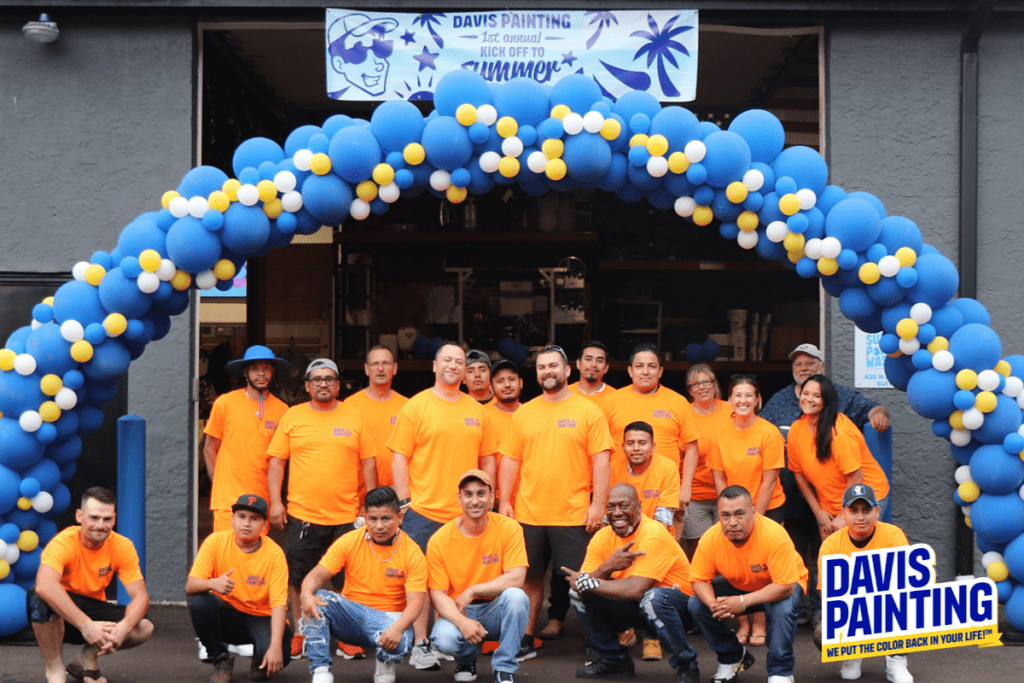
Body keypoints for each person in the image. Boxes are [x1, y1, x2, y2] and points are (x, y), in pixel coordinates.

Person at [498, 345, 613, 659]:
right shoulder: (525, 412)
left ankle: (597, 641)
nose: (547, 371)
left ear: (567, 371)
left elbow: (601, 461)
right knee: (529, 579)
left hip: (573, 513)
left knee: (583, 580)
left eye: (553, 366)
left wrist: (598, 505)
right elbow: (509, 460)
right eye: (541, 367)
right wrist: (505, 501)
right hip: (528, 512)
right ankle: (525, 637)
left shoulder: (588, 411)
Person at [389, 343, 499, 670]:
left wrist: (488, 499)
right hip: (423, 511)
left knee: (461, 581)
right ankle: (422, 644)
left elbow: (489, 458)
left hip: (466, 513)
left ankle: (453, 642)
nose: (453, 365)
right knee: (420, 581)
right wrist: (404, 500)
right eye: (447, 360)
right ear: (435, 366)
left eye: (460, 362)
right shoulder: (417, 406)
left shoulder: (477, 410)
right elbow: (399, 455)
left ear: (465, 370)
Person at [267, 358, 377, 657]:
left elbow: (368, 463)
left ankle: (345, 635)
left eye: (329, 379)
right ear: (307, 385)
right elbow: (277, 462)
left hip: (347, 516)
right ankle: (301, 632)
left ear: (338, 385)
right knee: (297, 579)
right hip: (304, 515)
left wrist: (369, 506)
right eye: (317, 379)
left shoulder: (355, 416)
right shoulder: (293, 416)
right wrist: (275, 501)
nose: (323, 384)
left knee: (347, 580)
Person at [563, 483, 699, 683]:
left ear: (639, 507)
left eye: (624, 506)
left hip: (679, 609)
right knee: (577, 596)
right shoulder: (602, 537)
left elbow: (636, 590)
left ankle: (686, 666)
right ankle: (614, 662)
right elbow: (581, 589)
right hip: (641, 607)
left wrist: (591, 583)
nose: (617, 513)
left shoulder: (653, 533)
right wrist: (606, 567)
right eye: (611, 507)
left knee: (653, 597)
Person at [299, 486, 427, 683]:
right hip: (350, 614)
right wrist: (306, 594)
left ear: (399, 518)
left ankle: (385, 664)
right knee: (318, 599)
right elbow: (315, 576)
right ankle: (321, 671)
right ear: (365, 518)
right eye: (373, 519)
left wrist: (398, 628)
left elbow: (416, 603)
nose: (379, 526)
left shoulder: (413, 552)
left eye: (386, 518)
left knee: (404, 640)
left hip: (386, 621)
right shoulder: (349, 541)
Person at [31, 487, 154, 683]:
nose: (100, 525)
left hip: (94, 613)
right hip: (62, 617)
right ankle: (55, 669)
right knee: (38, 598)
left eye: (107, 519)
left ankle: (88, 655)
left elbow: (141, 597)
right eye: (94, 518)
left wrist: (123, 627)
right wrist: (86, 625)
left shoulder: (122, 546)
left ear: (113, 519)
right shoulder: (64, 542)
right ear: (80, 516)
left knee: (143, 626)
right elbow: (44, 586)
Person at [687, 486, 806, 683]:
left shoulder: (774, 534)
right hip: (741, 584)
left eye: (739, 514)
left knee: (783, 610)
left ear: (753, 510)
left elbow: (786, 586)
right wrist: (714, 605)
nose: (732, 522)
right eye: (725, 515)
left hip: (780, 585)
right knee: (697, 604)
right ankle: (732, 658)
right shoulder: (711, 537)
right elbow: (698, 579)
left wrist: (742, 601)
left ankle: (781, 672)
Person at [427, 469, 530, 683]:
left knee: (517, 598)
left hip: (495, 608)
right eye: (468, 494)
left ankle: (504, 668)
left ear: (491, 497)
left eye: (481, 493)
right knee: (444, 639)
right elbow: (437, 595)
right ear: (459, 498)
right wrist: (462, 623)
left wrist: (473, 590)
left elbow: (517, 577)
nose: (475, 501)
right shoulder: (440, 540)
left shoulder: (509, 528)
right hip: (460, 610)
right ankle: (466, 660)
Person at [707, 375, 785, 647]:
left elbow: (769, 478)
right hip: (733, 510)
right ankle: (742, 622)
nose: (742, 400)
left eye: (748, 395)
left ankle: (760, 624)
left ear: (757, 400)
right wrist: (728, 512)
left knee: (763, 572)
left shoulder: (768, 432)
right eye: (737, 395)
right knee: (736, 570)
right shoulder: (718, 433)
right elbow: (719, 477)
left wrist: (755, 517)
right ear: (729, 400)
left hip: (766, 508)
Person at [187, 494, 292, 683]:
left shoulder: (275, 554)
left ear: (264, 525)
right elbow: (191, 585)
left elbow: (278, 604)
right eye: (241, 516)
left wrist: (275, 646)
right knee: (200, 602)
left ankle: (259, 660)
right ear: (232, 520)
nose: (246, 523)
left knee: (274, 660)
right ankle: (220, 661)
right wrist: (212, 583)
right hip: (229, 616)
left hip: (262, 617)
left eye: (254, 518)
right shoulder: (215, 541)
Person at [815, 484, 913, 683]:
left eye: (867, 510)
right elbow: (827, 595)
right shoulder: (831, 545)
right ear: (843, 513)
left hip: (887, 604)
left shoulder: (894, 536)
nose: (860, 517)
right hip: (851, 610)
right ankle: (852, 653)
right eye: (853, 510)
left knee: (912, 604)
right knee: (822, 633)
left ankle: (896, 659)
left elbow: (907, 586)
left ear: (877, 512)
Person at [608, 420, 681, 661]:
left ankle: (652, 637)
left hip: (656, 539)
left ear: (653, 446)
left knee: (651, 587)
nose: (636, 448)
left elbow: (664, 517)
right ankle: (622, 627)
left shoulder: (667, 467)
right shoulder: (613, 468)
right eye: (630, 443)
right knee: (604, 578)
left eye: (642, 443)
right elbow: (608, 513)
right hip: (621, 537)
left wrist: (642, 540)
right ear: (623, 446)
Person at [787, 374, 891, 540]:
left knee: (856, 557)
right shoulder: (796, 429)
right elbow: (800, 478)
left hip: (862, 498)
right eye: (806, 393)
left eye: (817, 395)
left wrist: (843, 515)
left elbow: (856, 476)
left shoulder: (840, 433)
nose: (809, 399)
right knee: (831, 558)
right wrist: (819, 513)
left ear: (826, 400)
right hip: (828, 505)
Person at [602, 343, 699, 522]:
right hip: (620, 490)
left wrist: (685, 488)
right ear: (630, 371)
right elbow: (600, 450)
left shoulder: (678, 402)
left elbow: (692, 447)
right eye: (639, 366)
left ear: (660, 371)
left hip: (665, 491)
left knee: (664, 543)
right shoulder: (611, 402)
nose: (645, 372)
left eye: (651, 366)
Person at [204, 345, 290, 534]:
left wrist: (276, 501)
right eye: (255, 369)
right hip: (228, 500)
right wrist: (217, 482)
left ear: (272, 371)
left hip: (261, 500)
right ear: (245, 372)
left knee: (254, 558)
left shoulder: (283, 410)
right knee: (225, 555)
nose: (261, 374)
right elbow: (209, 448)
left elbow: (281, 459)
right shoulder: (225, 403)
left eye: (266, 368)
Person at [681, 364, 731, 558]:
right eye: (695, 384)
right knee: (700, 551)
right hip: (696, 496)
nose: (702, 387)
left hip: (727, 492)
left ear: (714, 384)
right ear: (690, 390)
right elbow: (680, 457)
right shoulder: (684, 413)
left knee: (728, 547)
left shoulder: (730, 409)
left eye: (706, 382)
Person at [344, 345, 409, 488]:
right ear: (367, 369)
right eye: (375, 364)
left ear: (395, 368)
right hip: (359, 498)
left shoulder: (408, 407)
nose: (380, 369)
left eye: (386, 363)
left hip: (397, 496)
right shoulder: (349, 406)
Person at [569, 341, 615, 411]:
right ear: (578, 364)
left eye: (599, 361)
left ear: (606, 368)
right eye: (588, 359)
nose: (594, 364)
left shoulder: (615, 397)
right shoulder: (565, 393)